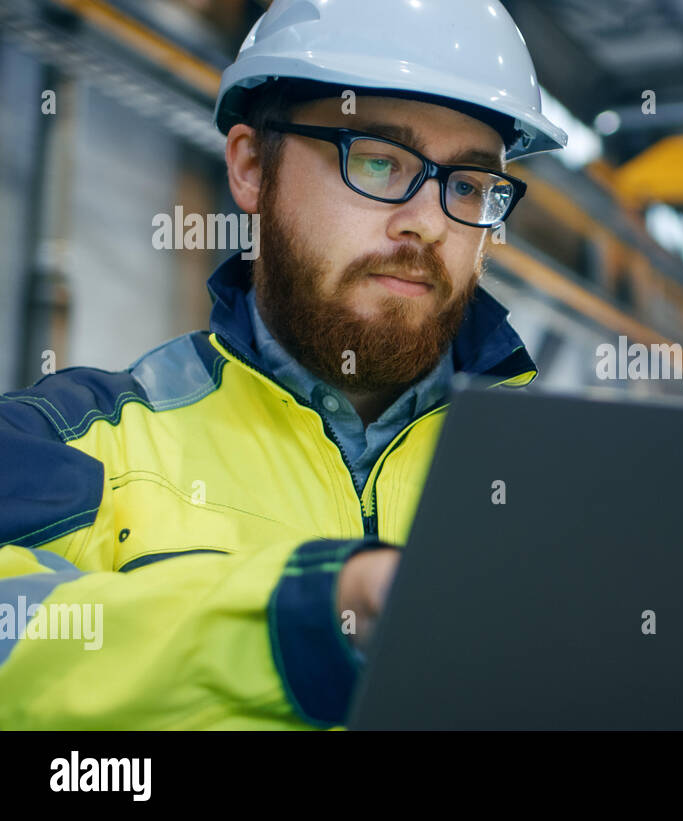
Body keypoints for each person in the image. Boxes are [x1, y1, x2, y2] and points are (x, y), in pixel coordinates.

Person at [0, 0, 567, 729]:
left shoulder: (561, 480)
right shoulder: (72, 441)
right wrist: (310, 619)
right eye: (377, 160)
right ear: (249, 167)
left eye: (466, 186)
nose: (427, 222)